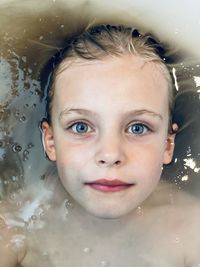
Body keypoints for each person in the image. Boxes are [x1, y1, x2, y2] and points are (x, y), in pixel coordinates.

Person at [1, 24, 200, 267]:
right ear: (50, 141)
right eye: (81, 127)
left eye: (138, 128)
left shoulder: (192, 230)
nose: (110, 155)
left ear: (168, 145)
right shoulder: (13, 225)